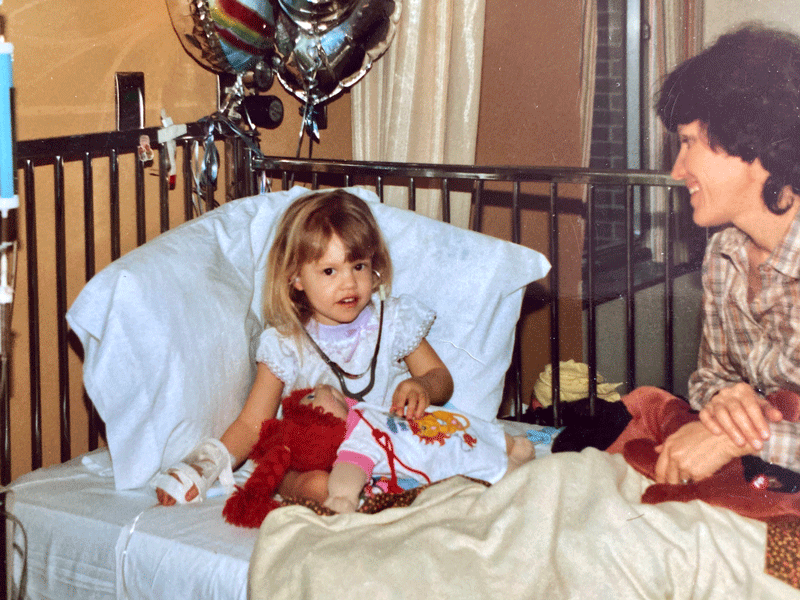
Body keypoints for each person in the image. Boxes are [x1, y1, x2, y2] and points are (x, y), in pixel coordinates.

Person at [154, 189, 454, 505]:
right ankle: (339, 497)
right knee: (303, 477)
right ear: (296, 278)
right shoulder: (286, 344)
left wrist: (421, 384)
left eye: (359, 266)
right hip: (318, 461)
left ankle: (373, 492)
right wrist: (204, 466)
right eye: (329, 271)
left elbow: (441, 379)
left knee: (443, 456)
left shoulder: (394, 322)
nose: (349, 283)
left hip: (386, 452)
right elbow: (251, 424)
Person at [651, 24, 800, 485]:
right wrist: (730, 399)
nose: (678, 171)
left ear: (748, 142)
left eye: (688, 141)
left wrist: (740, 438)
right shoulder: (723, 254)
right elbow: (707, 380)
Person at [293, 384, 535, 514]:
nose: (320, 388)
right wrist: (342, 497)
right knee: (466, 456)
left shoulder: (363, 411)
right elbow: (349, 470)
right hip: (436, 450)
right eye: (312, 397)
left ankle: (508, 444)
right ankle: (509, 467)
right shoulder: (355, 441)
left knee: (463, 425)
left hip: (432, 424)